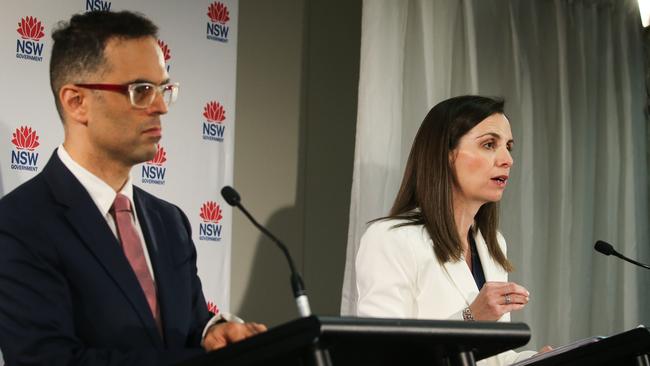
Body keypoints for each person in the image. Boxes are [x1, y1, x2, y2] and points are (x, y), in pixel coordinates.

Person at [0, 11, 265, 365]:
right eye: (140, 90)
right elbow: (48, 360)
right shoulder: (19, 223)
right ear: (76, 102)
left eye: (163, 89)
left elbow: (188, 329)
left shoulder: (170, 222)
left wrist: (211, 334)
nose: (159, 107)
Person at [354, 96, 549, 366]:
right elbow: (382, 355)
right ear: (445, 154)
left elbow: (495, 358)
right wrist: (471, 318)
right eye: (489, 144)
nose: (507, 160)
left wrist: (536, 360)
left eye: (509, 147)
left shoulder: (493, 245)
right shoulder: (390, 239)